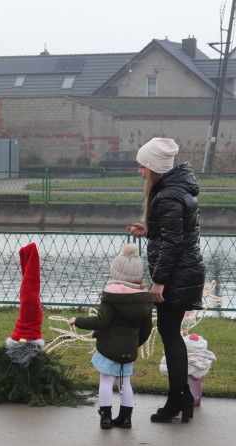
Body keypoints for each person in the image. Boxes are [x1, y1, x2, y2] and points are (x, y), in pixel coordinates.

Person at [126, 137, 205, 423]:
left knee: (170, 336)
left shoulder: (168, 195)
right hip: (185, 272)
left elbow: (173, 244)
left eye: (142, 166)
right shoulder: (177, 189)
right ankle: (180, 397)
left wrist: (158, 281)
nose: (139, 171)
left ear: (153, 167)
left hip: (176, 276)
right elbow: (175, 235)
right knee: (171, 334)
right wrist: (148, 231)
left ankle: (177, 399)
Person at [69, 244, 154, 429]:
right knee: (125, 384)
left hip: (107, 349)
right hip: (128, 350)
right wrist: (134, 344)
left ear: (117, 274)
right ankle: (126, 418)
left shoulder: (111, 296)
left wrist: (77, 320)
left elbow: (101, 322)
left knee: (106, 381)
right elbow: (147, 329)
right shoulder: (145, 299)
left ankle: (105, 417)